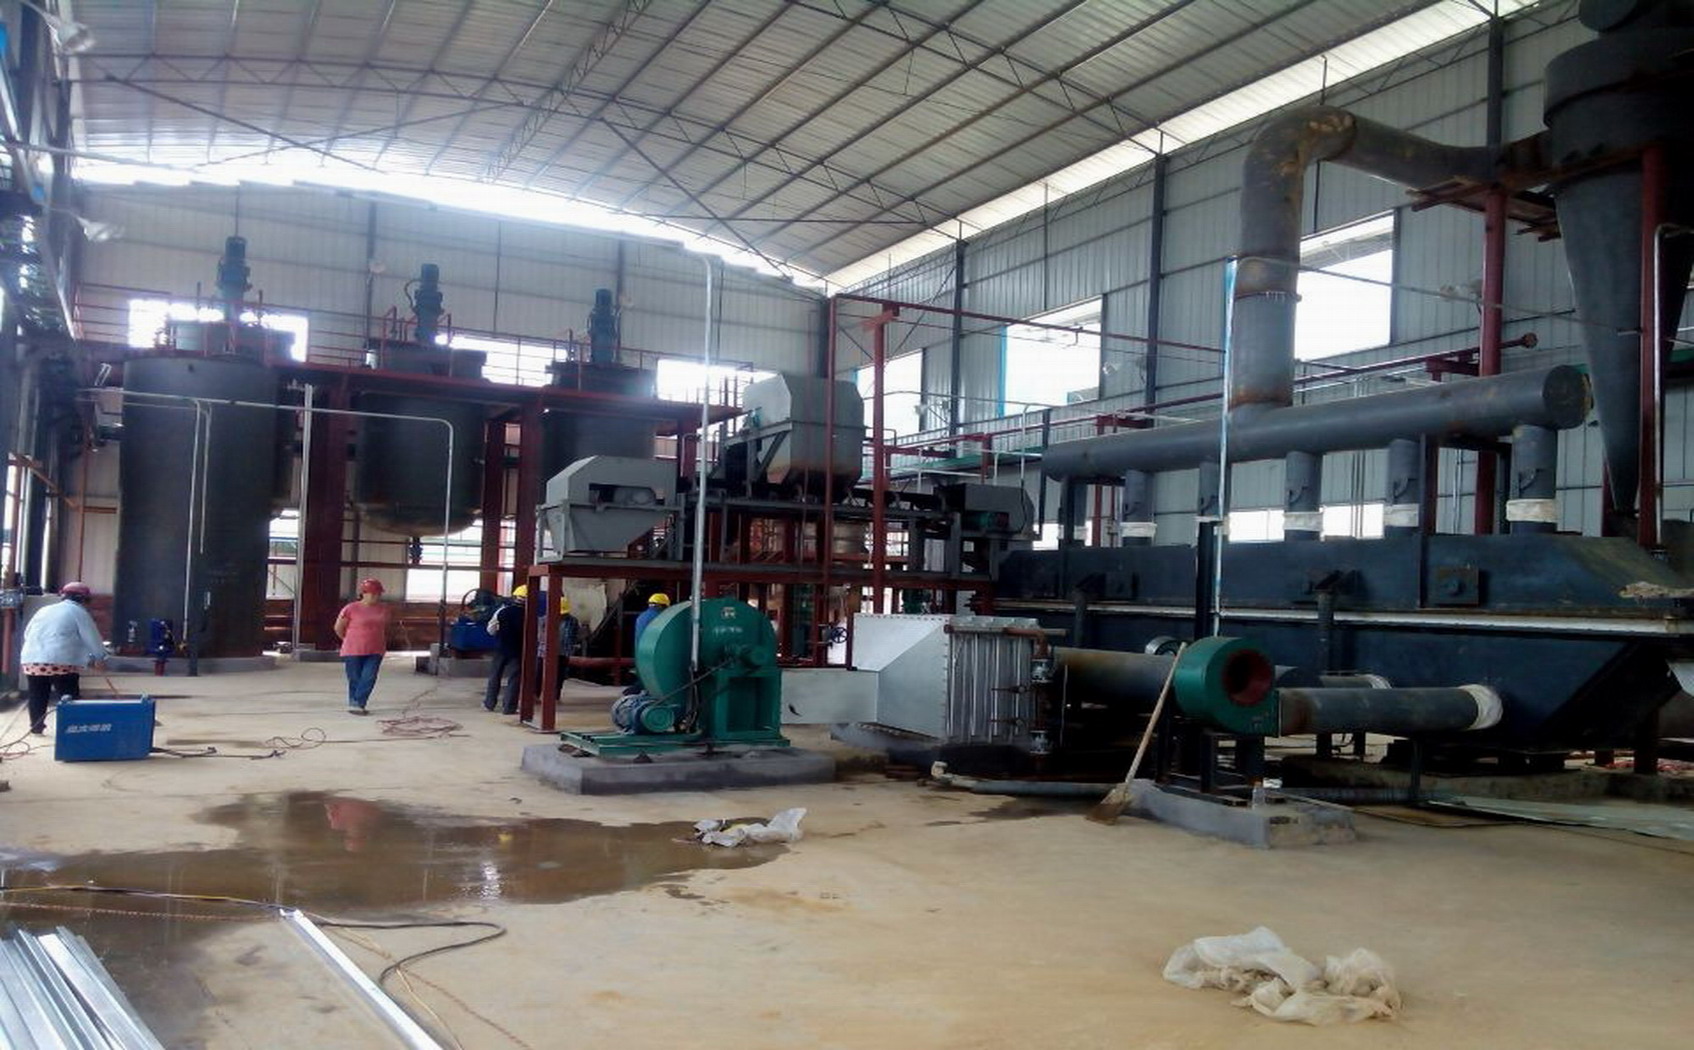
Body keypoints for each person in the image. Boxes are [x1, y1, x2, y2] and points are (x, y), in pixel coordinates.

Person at [19, 581, 107, 735]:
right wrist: (100, 657)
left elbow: (27, 633)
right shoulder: (78, 612)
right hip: (61, 661)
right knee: (68, 695)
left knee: (37, 693)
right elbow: (92, 638)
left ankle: (36, 727)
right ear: (84, 600)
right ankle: (71, 728)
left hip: (32, 659)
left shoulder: (44, 610)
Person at [333, 578, 391, 715]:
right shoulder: (351, 608)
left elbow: (385, 627)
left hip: (376, 648)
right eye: (373, 593)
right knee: (355, 678)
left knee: (369, 676)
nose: (376, 596)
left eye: (378, 594)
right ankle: (357, 704)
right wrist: (347, 639)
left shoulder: (384, 609)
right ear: (364, 593)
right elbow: (338, 628)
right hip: (353, 649)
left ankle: (357, 702)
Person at [484, 585, 527, 714]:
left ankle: (489, 704)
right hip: (518, 650)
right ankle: (509, 707)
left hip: (501, 648)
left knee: (495, 675)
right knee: (514, 678)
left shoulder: (502, 611)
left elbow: (490, 630)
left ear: (515, 597)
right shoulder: (530, 614)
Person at [547, 595, 581, 703]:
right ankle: (542, 694)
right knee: (544, 674)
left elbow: (575, 634)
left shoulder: (572, 621)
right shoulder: (547, 618)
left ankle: (556, 695)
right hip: (548, 652)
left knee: (560, 674)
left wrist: (573, 645)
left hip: (563, 652)